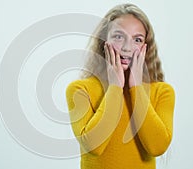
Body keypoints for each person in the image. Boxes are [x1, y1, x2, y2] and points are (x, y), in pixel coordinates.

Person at [65, 3, 175, 169]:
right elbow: (94, 145)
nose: (127, 47)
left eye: (137, 39)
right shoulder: (80, 89)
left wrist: (136, 87)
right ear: (104, 41)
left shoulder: (162, 92)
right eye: (118, 36)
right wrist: (115, 86)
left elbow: (157, 146)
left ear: (146, 47)